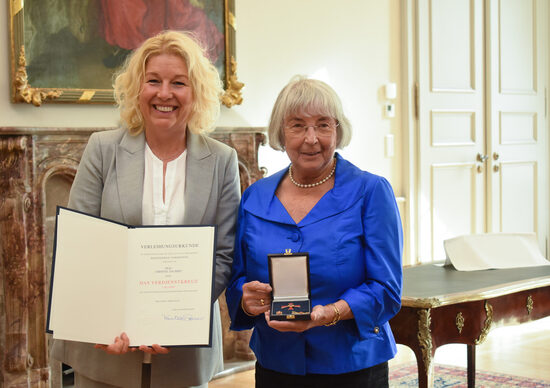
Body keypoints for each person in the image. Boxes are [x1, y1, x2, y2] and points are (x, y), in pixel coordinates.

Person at [51, 30, 241, 388]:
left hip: (184, 355)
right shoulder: (102, 150)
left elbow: (224, 255)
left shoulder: (222, 161)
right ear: (138, 89)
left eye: (178, 83)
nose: (164, 93)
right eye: (153, 80)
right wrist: (103, 319)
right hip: (106, 348)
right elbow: (81, 246)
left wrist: (173, 319)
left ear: (196, 92)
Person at [226, 76, 403, 388]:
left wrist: (329, 313)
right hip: (275, 364)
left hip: (351, 366)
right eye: (297, 125)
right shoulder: (255, 197)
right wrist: (246, 298)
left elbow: (386, 291)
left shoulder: (371, 191)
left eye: (323, 125)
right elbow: (237, 278)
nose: (311, 138)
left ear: (338, 130)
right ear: (281, 132)